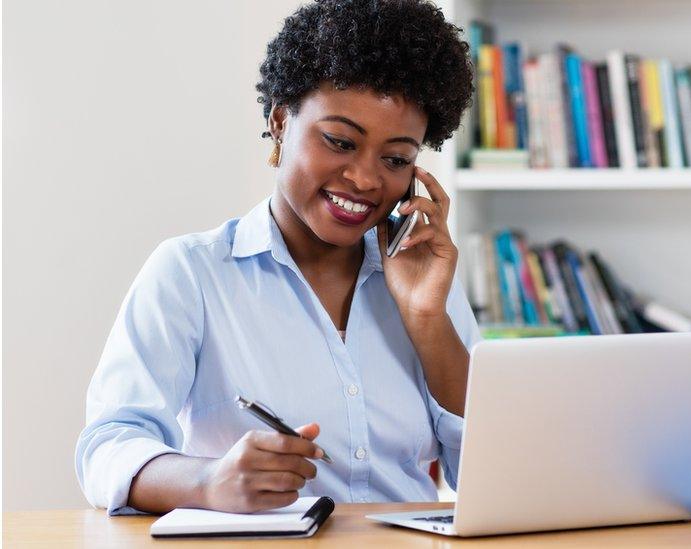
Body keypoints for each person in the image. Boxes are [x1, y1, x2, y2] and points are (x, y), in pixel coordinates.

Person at [75, 0, 477, 515]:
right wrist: (207, 481)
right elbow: (108, 445)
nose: (366, 178)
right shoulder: (193, 273)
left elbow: (494, 470)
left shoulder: (426, 282)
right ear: (282, 121)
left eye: (396, 159)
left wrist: (427, 320)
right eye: (339, 141)